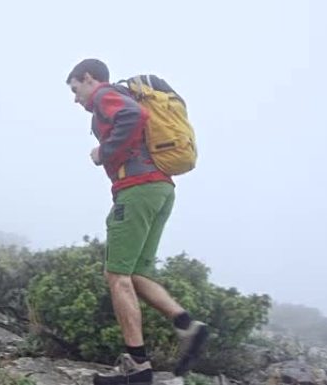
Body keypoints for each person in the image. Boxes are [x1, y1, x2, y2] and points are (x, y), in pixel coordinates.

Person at [66, 59, 208, 384]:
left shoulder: (105, 94)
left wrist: (104, 150)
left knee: (116, 275)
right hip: (161, 189)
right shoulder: (118, 95)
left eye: (76, 89)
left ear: (89, 79)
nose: (76, 99)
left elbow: (134, 116)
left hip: (137, 189)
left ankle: (137, 368)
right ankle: (188, 326)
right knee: (137, 274)